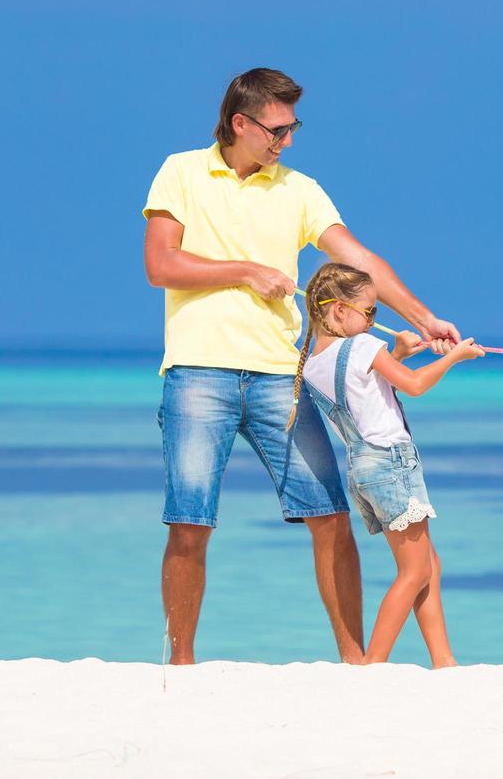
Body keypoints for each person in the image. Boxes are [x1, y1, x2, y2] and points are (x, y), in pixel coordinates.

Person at [142, 67, 461, 665]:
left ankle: (354, 663)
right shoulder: (180, 171)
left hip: (279, 379)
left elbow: (360, 258)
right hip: (197, 374)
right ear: (242, 123)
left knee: (331, 517)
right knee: (190, 524)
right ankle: (180, 666)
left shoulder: (299, 189)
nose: (287, 141)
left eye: (293, 128)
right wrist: (245, 269)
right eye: (277, 129)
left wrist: (422, 318)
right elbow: (161, 265)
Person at [292, 263, 484, 667]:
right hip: (391, 463)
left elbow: (361, 392)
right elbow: (412, 386)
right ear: (340, 311)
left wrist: (394, 354)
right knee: (414, 571)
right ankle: (373, 663)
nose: (372, 320)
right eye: (369, 312)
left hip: (363, 469)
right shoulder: (362, 346)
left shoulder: (311, 365)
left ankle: (444, 660)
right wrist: (455, 358)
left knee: (428, 562)